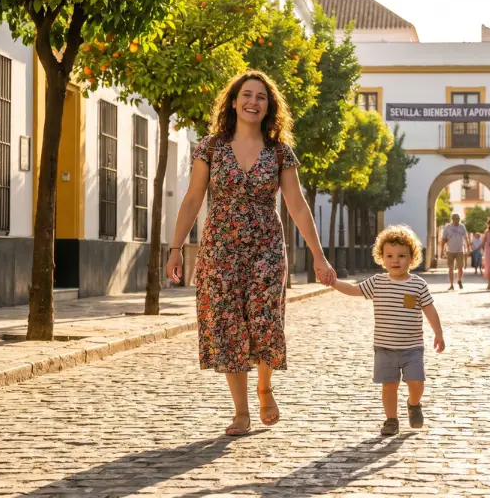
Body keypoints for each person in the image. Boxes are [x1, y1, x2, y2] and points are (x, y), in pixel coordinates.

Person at [166, 70, 336, 437]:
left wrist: (318, 257)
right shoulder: (209, 147)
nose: (253, 102)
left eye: (261, 97)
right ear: (233, 101)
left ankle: (265, 387)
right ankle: (241, 411)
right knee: (227, 325)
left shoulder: (279, 152)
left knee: (263, 320)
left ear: (269, 106)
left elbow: (297, 206)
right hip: (220, 249)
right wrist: (176, 247)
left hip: (266, 248)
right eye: (247, 94)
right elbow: (193, 197)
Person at [332, 224, 445, 436]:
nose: (395, 260)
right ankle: (391, 420)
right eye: (390, 255)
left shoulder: (418, 285)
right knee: (389, 385)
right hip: (385, 347)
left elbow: (430, 309)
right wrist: (334, 282)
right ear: (381, 258)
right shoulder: (377, 282)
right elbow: (354, 290)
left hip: (412, 348)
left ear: (412, 258)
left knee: (417, 382)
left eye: (401, 255)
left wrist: (438, 333)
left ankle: (414, 404)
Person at [440, 214, 471, 291]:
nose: (458, 220)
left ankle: (459, 280)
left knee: (460, 268)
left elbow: (466, 238)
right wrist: (441, 251)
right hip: (450, 250)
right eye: (456, 218)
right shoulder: (447, 227)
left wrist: (468, 248)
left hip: (460, 250)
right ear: (452, 219)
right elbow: (443, 240)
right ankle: (451, 285)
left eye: (459, 218)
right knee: (451, 269)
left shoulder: (462, 226)